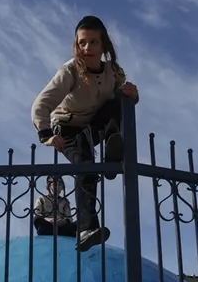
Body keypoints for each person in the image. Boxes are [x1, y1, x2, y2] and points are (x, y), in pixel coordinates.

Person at [31, 15, 139, 252]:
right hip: (67, 127)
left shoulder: (113, 71)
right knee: (85, 164)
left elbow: (123, 98)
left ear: (103, 46)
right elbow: (41, 104)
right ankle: (86, 229)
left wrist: (132, 92)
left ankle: (112, 155)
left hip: (92, 126)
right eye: (82, 43)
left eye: (93, 42)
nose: (87, 48)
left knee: (119, 100)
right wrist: (46, 135)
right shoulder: (70, 71)